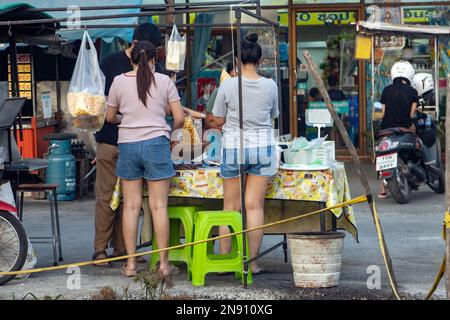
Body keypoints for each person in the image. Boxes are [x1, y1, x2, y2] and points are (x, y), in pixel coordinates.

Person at [105, 41, 185, 277]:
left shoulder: (118, 81)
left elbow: (109, 117)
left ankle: (130, 265)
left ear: (132, 59)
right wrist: (166, 131)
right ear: (154, 59)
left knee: (130, 206)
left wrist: (128, 118)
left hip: (127, 145)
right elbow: (179, 118)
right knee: (159, 206)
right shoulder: (164, 81)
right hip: (156, 144)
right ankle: (163, 265)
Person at [92, 23, 166, 266]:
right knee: (106, 197)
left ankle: (123, 250)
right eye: (152, 50)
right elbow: (97, 105)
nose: (151, 57)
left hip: (131, 145)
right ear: (136, 44)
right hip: (111, 142)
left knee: (128, 200)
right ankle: (101, 250)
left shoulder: (155, 71)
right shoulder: (109, 65)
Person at [212, 33, 279, 274]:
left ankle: (224, 262)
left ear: (238, 60)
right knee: (254, 207)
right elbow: (273, 116)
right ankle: (252, 263)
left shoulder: (228, 85)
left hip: (233, 148)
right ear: (260, 60)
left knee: (230, 206)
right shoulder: (270, 85)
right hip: (262, 148)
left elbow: (218, 118)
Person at [377, 60, 418, 199]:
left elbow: (382, 114)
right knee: (417, 139)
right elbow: (412, 115)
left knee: (380, 154)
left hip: (386, 128)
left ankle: (382, 188)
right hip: (405, 127)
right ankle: (417, 162)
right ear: (410, 74)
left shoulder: (386, 90)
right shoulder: (413, 92)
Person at [205, 61, 237, 130]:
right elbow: (209, 122)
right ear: (228, 76)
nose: (236, 80)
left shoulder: (253, 91)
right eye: (234, 77)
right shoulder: (219, 92)